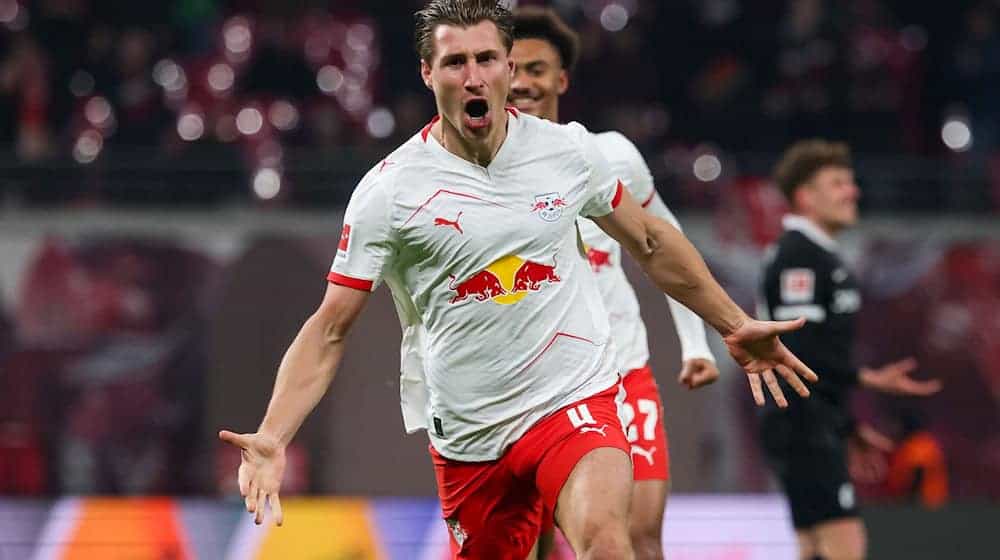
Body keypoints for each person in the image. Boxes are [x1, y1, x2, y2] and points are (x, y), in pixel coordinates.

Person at [219, 2, 818, 558]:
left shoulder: (567, 154)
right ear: (429, 74)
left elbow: (653, 241)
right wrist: (273, 435)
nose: (473, 76)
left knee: (609, 541)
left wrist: (732, 324)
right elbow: (329, 329)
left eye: (486, 59)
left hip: (573, 399)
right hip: (470, 432)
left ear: (508, 67)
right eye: (456, 62)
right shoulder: (390, 191)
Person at [507, 8, 719, 560]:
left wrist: (696, 344)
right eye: (513, 68)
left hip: (622, 374)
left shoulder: (611, 155)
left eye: (537, 68)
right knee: (530, 545)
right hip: (534, 387)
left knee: (639, 538)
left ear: (562, 79)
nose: (524, 81)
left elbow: (666, 243)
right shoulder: (481, 175)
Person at [758, 139, 942, 560]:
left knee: (815, 547)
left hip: (812, 420)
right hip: (801, 423)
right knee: (844, 545)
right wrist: (864, 380)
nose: (852, 191)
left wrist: (843, 424)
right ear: (805, 196)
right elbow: (797, 350)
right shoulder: (800, 256)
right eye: (838, 182)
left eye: (851, 181)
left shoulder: (818, 255)